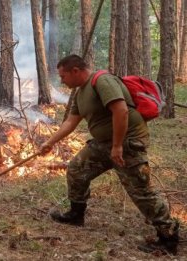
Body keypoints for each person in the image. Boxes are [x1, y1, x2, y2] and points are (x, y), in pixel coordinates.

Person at [40, 54, 179, 255]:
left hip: (128, 142)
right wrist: (49, 143)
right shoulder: (80, 93)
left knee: (140, 190)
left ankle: (168, 236)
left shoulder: (102, 81)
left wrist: (117, 146)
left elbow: (120, 111)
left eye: (63, 76)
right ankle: (76, 214)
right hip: (103, 144)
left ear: (75, 71)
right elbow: (71, 122)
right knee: (77, 168)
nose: (62, 80)